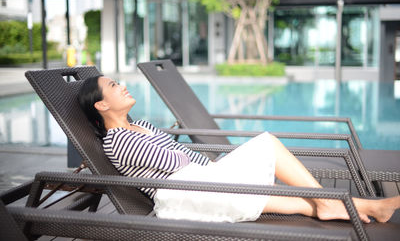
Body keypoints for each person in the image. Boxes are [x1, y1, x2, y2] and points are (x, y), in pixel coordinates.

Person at [78, 75, 400, 223]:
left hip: (199, 181)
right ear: (103, 104)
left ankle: (366, 208)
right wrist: (226, 167)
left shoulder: (140, 126)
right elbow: (175, 159)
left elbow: (182, 157)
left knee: (304, 201)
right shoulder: (118, 140)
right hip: (185, 194)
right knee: (268, 143)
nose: (122, 86)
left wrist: (221, 166)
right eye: (114, 86)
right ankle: (350, 205)